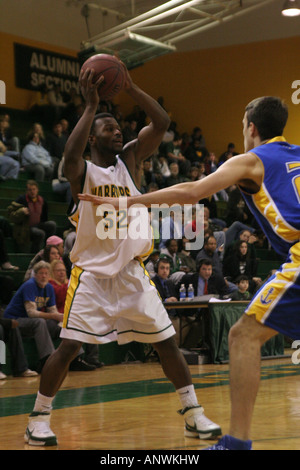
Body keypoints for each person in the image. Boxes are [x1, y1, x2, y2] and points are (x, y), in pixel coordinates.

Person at [81, 96, 299, 451]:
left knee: (243, 337)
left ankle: (236, 444)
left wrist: (128, 201)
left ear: (251, 128)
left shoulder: (252, 159)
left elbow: (192, 191)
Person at [24, 62, 221, 446]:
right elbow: (68, 158)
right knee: (68, 348)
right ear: (93, 138)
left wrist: (129, 86)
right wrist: (89, 107)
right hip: (92, 277)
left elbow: (161, 123)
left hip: (133, 273)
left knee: (166, 343)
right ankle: (38, 419)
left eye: (118, 127)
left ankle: (194, 414)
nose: (118, 132)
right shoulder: (81, 171)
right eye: (108, 128)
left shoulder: (129, 161)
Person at [14, 180, 57, 252]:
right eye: (30, 190)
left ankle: (48, 247)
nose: (32, 191)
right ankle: (34, 253)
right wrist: (21, 212)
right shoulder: (21, 199)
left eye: (34, 189)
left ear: (37, 190)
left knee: (52, 224)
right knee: (40, 233)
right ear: (27, 191)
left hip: (38, 224)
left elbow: (44, 217)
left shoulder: (42, 201)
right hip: (27, 227)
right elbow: (13, 214)